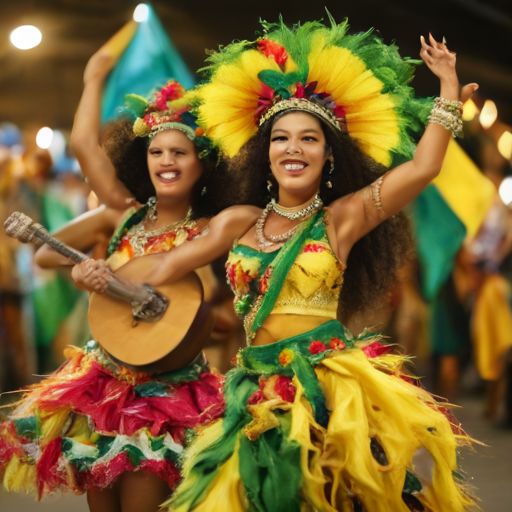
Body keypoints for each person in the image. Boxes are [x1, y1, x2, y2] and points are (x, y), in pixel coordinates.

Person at [116, 18, 478, 511]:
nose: (293, 148)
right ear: (264, 154)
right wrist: (107, 279)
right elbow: (163, 267)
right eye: (280, 138)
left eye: (309, 139)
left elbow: (423, 168)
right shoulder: (238, 222)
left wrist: (448, 90)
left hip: (328, 389)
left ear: (329, 156)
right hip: (252, 391)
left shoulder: (342, 219)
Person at [0, 50, 253, 512]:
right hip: (104, 384)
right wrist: (92, 76)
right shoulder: (123, 214)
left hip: (170, 391)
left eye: (180, 152)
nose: (166, 161)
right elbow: (44, 249)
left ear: (204, 164)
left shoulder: (211, 230)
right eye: (156, 152)